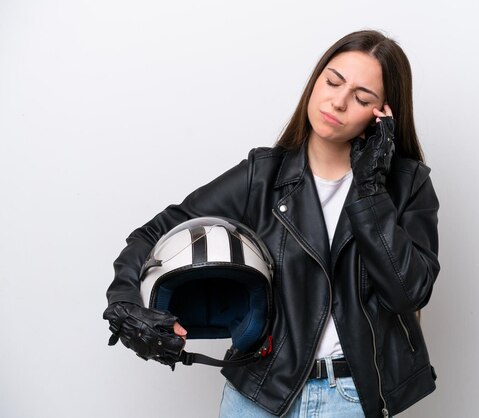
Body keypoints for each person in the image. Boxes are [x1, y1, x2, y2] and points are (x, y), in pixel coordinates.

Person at [104, 29, 440, 418]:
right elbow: (153, 233)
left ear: (381, 115)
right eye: (332, 81)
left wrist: (370, 189)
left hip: (350, 398)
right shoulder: (261, 176)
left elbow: (408, 293)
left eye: (362, 97)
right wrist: (125, 303)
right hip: (259, 395)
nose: (339, 101)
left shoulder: (407, 185)